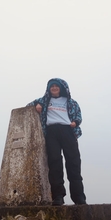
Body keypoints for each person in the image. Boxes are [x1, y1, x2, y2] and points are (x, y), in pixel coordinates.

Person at [27, 78, 86, 206]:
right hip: (51, 132)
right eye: (51, 86)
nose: (54, 88)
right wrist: (38, 104)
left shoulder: (71, 102)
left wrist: (75, 122)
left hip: (67, 131)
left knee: (74, 163)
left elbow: (78, 115)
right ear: (48, 89)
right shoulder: (44, 101)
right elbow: (28, 106)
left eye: (56, 86)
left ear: (62, 88)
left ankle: (79, 197)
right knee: (54, 163)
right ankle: (58, 196)